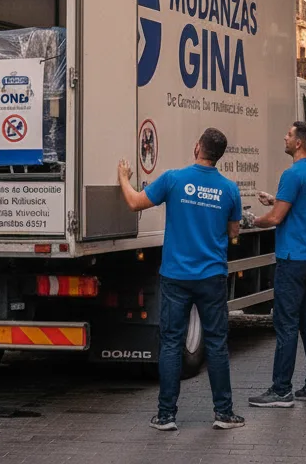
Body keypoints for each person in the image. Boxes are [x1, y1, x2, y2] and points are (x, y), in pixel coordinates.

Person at [117, 127, 245, 432]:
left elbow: (135, 202)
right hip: (212, 276)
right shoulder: (229, 190)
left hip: (175, 275)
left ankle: (166, 415)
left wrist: (123, 176)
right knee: (216, 344)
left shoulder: (173, 179)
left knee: (172, 343)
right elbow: (234, 232)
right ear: (219, 155)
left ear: (197, 146)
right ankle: (224, 414)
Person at [247, 121, 306, 408]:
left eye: (289, 134)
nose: (284, 136)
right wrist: (275, 199)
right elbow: (299, 208)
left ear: (298, 143)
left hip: (292, 260)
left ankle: (281, 390)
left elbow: (275, 219)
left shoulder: (292, 174)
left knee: (286, 325)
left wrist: (251, 220)